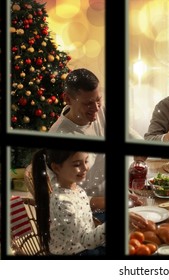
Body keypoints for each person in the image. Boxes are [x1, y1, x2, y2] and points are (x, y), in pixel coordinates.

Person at [48, 68, 106, 221]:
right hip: (90, 214)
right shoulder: (59, 136)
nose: (96, 109)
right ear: (67, 99)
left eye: (98, 100)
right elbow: (63, 198)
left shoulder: (100, 110)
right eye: (88, 103)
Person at [31, 149, 105, 255]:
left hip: (84, 244)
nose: (85, 168)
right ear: (56, 168)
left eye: (86, 161)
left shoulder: (77, 189)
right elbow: (87, 241)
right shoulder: (61, 202)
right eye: (77, 164)